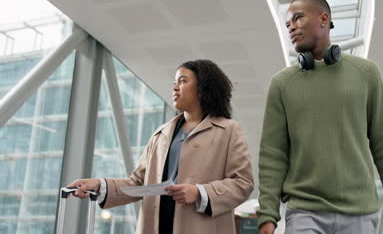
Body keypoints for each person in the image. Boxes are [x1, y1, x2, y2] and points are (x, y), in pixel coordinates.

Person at [257, 0, 383, 234]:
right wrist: (267, 215)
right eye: (287, 24)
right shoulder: (281, 84)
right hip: (304, 212)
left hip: (360, 213)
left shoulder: (366, 73)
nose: (291, 26)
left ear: (324, 18)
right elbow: (273, 154)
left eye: (298, 18)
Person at [69, 60, 254, 234]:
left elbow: (242, 183)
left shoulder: (228, 130)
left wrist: (199, 192)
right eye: (174, 82)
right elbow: (137, 183)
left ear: (202, 87)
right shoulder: (161, 134)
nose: (174, 87)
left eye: (182, 81)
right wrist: (99, 185)